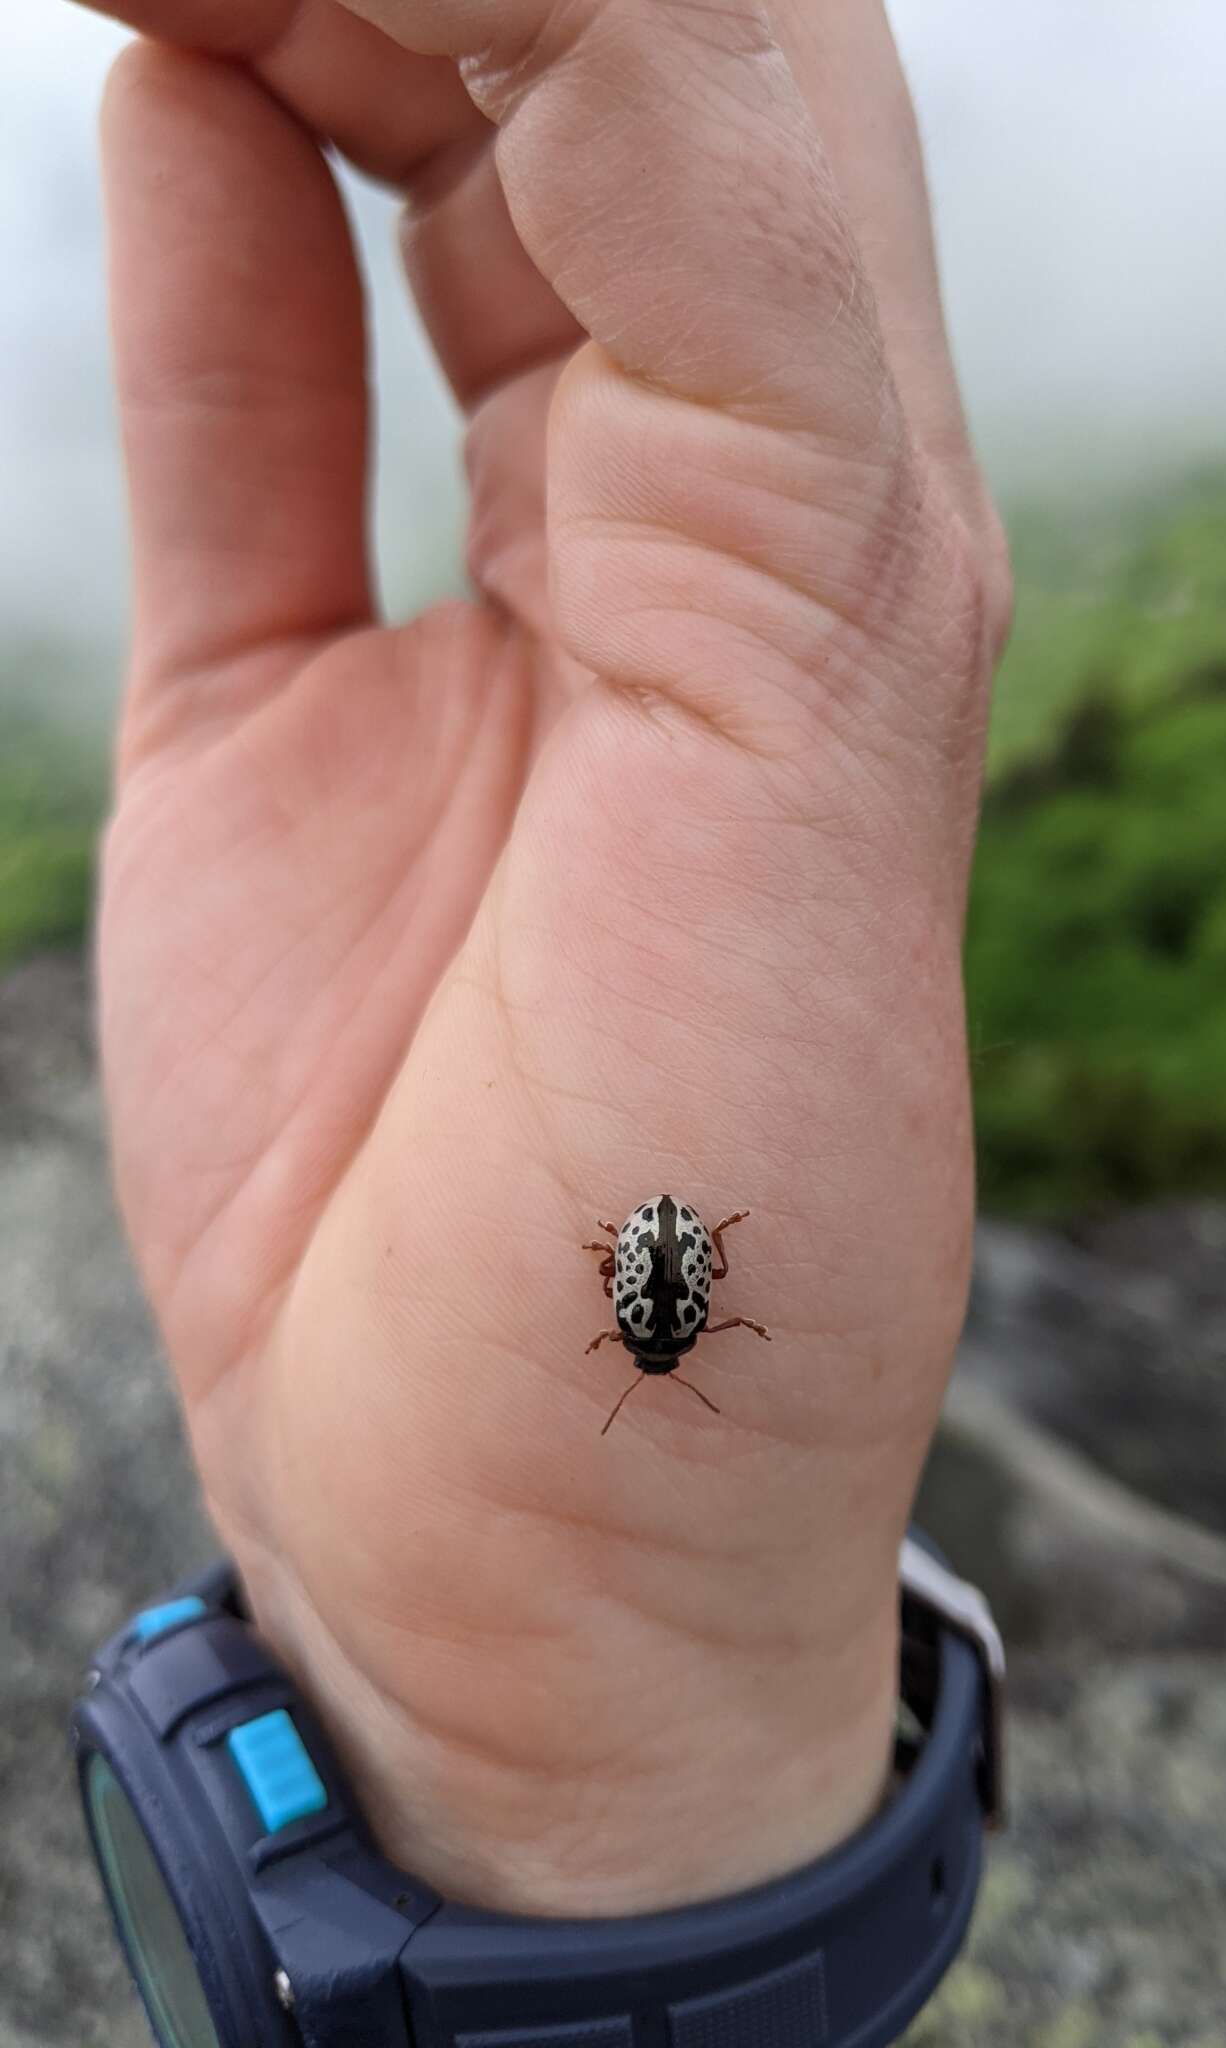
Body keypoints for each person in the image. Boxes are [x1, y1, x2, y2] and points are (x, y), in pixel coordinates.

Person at [82, 0, 1013, 1917]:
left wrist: (604, 1712)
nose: (663, 1307)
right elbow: (667, 1282)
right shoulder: (657, 1286)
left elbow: (663, 1288)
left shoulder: (649, 1293)